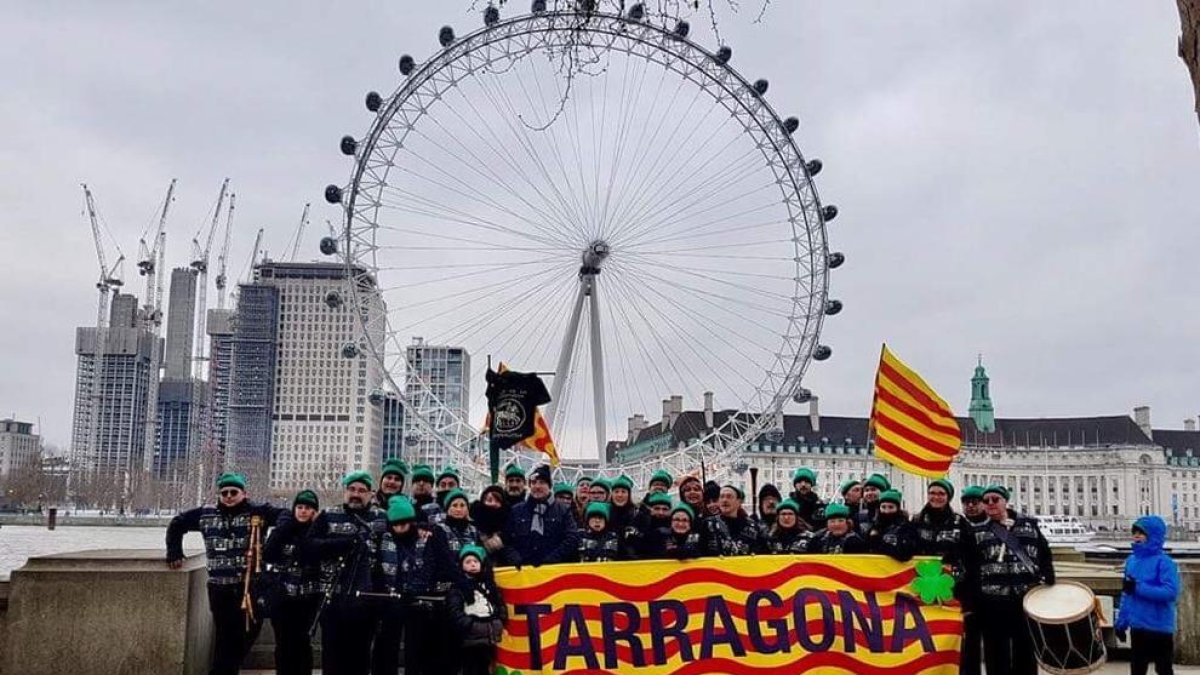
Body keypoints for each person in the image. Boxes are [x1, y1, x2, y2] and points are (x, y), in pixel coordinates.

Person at [165, 472, 286, 675]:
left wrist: (275, 539)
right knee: (225, 634)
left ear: (243, 493)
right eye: (224, 493)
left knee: (251, 629)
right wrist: (174, 551)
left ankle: (224, 670)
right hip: (219, 587)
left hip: (249, 586)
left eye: (233, 492)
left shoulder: (258, 512)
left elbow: (286, 515)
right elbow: (177, 524)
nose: (229, 496)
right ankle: (224, 670)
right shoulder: (205, 514)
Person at [302, 471, 389, 675]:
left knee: (359, 660)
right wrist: (342, 544)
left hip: (365, 602)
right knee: (332, 659)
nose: (356, 494)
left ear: (371, 494)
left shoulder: (382, 518)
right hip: (333, 600)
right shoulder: (328, 515)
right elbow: (309, 547)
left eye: (361, 490)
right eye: (351, 489)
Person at [962, 485, 1054, 675]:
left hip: (1025, 598)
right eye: (985, 501)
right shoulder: (976, 532)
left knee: (1026, 651)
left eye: (995, 499)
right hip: (992, 601)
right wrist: (973, 600)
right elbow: (970, 568)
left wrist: (1049, 577)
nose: (990, 504)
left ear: (1005, 501)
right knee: (995, 653)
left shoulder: (1030, 525)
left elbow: (1044, 554)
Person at [263, 490, 323, 675]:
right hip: (282, 597)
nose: (303, 511)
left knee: (303, 644)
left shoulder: (320, 532)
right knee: (283, 644)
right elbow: (268, 554)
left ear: (315, 511)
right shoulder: (284, 530)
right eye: (300, 507)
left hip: (308, 597)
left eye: (308, 508)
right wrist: (284, 528)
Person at [380, 496, 439, 675]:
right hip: (391, 601)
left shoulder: (424, 540)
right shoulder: (385, 539)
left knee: (415, 652)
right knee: (387, 650)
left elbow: (430, 568)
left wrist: (416, 588)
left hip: (417, 603)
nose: (400, 528)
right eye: (395, 524)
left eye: (404, 524)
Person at [1115, 515, 1179, 675]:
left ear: (1154, 535)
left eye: (1141, 532)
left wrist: (1138, 588)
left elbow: (1170, 592)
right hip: (1138, 625)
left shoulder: (1164, 562)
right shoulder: (1131, 561)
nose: (1136, 535)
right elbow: (1127, 596)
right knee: (1137, 669)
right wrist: (1121, 623)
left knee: (1163, 669)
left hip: (1160, 626)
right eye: (1134, 531)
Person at [502, 464, 579, 567]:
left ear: (549, 486)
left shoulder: (563, 511)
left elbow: (571, 538)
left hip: (553, 570)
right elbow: (506, 539)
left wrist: (552, 560)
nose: (537, 486)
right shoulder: (516, 510)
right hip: (523, 572)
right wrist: (516, 560)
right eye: (534, 483)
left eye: (542, 483)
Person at [448, 544, 507, 675]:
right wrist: (471, 625)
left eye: (475, 561)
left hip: (490, 639)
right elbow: (455, 613)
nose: (472, 564)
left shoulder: (489, 585)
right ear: (461, 565)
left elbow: (500, 604)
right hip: (470, 641)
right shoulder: (457, 588)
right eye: (468, 562)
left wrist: (500, 621)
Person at [957, 485, 987, 675]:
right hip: (966, 595)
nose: (970, 506)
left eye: (975, 503)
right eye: (967, 503)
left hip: (989, 594)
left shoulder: (995, 527)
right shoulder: (959, 526)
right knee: (967, 644)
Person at [704, 485, 767, 556]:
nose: (724, 500)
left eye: (729, 497)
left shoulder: (753, 527)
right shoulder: (707, 524)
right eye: (722, 497)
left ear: (739, 502)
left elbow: (762, 552)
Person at [867, 489, 917, 561]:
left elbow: (905, 554)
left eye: (891, 507)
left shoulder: (906, 527)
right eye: (883, 507)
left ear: (897, 508)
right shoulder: (875, 527)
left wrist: (880, 544)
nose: (887, 511)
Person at [471, 485, 509, 559]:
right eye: (489, 500)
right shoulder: (472, 528)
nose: (493, 504)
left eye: (497, 500)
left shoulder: (507, 528)